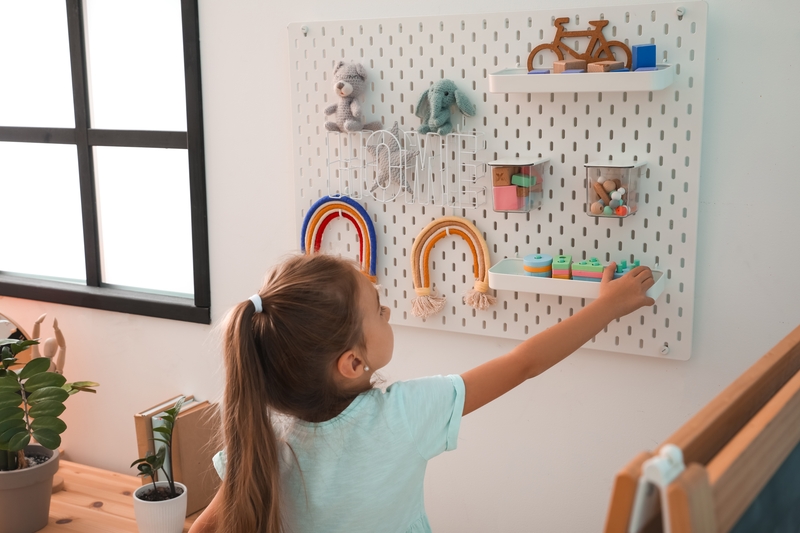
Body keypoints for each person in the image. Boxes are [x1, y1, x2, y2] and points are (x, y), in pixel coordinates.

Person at [188, 253, 654, 533]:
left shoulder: (262, 431)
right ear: (352, 362)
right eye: (377, 309)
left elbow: (206, 525)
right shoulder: (404, 416)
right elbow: (523, 364)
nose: (388, 309)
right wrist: (606, 309)